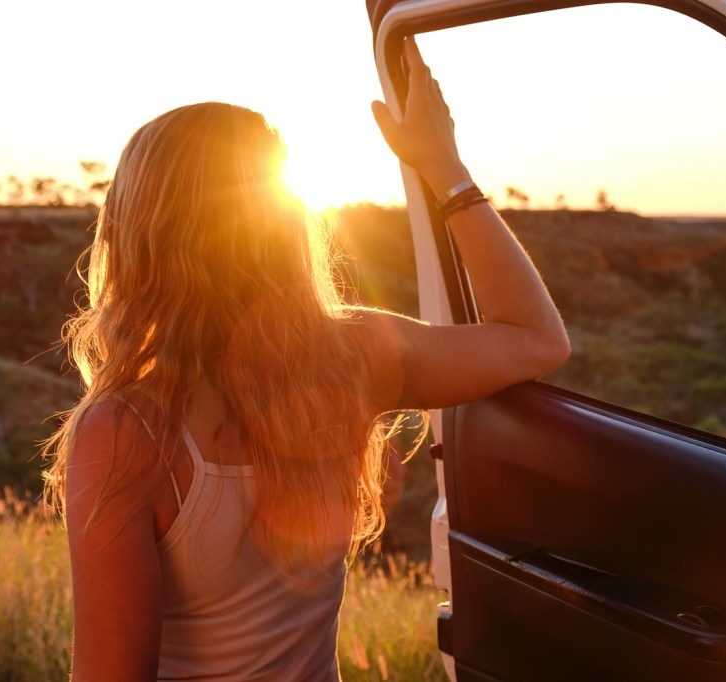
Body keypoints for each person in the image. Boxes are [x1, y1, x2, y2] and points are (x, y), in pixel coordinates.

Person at [43, 37, 570, 681]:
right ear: (284, 223)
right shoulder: (351, 356)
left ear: (133, 233)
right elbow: (534, 337)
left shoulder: (127, 430)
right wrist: (444, 170)